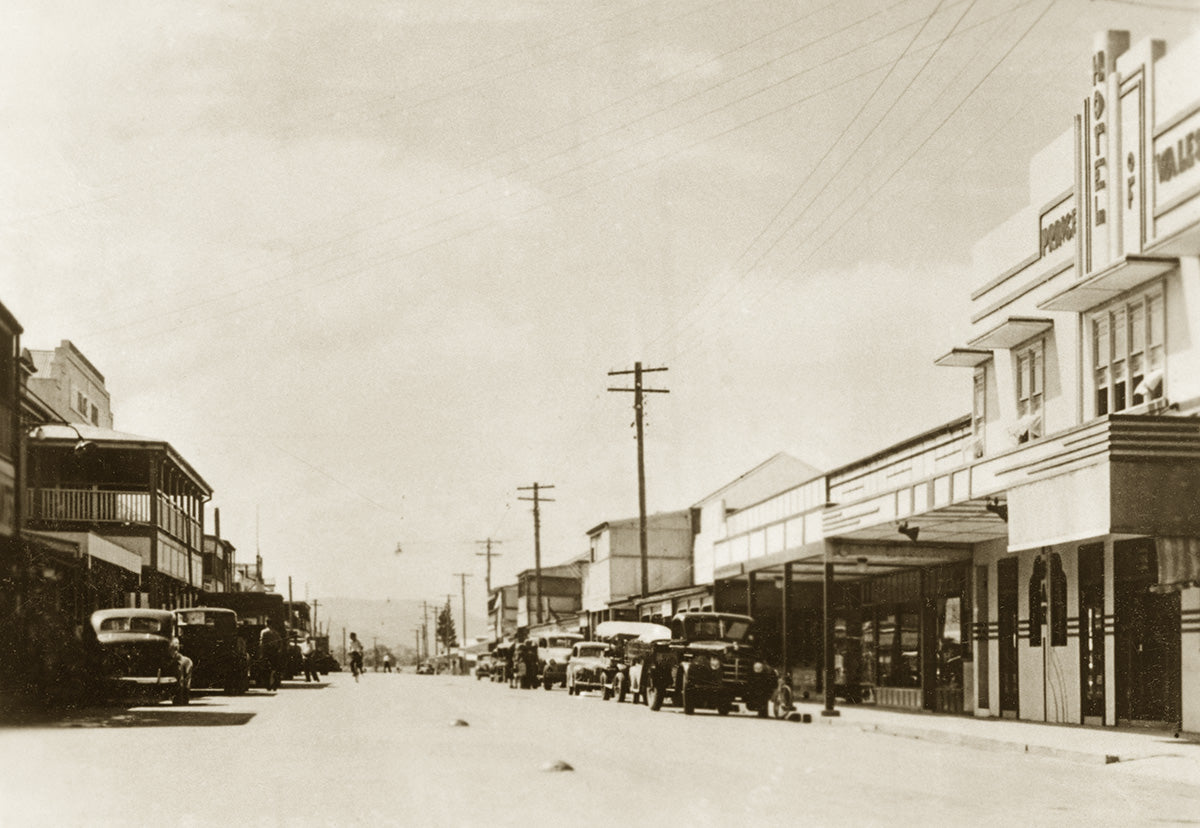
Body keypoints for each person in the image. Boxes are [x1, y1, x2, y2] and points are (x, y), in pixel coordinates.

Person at [258, 621, 283, 691]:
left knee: (266, 669)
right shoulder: (276, 633)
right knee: (274, 669)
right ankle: (274, 684)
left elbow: (262, 643)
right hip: (275, 652)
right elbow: (280, 642)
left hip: (267, 652)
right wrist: (279, 650)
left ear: (266, 624)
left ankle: (268, 685)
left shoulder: (264, 632)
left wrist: (261, 653)